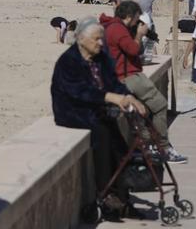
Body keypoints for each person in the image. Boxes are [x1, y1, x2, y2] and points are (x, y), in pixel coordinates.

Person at [51, 17, 146, 220]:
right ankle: (105, 195)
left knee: (121, 146)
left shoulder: (101, 57)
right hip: (73, 112)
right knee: (102, 138)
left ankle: (123, 199)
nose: (101, 43)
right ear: (81, 39)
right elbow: (78, 91)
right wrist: (110, 97)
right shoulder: (69, 61)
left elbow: (113, 82)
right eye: (96, 39)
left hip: (97, 109)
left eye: (101, 39)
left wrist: (128, 96)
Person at [99, 1, 187, 163]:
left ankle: (149, 145)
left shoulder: (111, 27)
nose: (138, 21)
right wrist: (139, 34)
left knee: (144, 111)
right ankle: (164, 148)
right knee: (160, 105)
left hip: (122, 76)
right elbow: (133, 49)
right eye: (136, 18)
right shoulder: (118, 30)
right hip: (128, 76)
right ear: (129, 16)